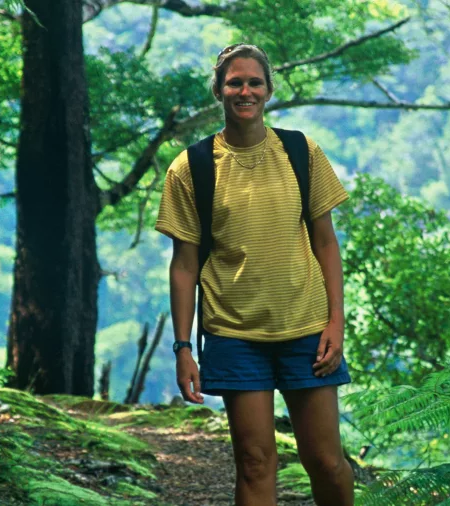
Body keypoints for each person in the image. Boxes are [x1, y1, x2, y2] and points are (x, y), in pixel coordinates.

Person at [155, 43, 354, 506]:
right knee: (255, 462)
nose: (245, 91)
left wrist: (336, 322)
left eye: (254, 82)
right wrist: (184, 349)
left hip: (306, 330)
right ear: (220, 91)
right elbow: (184, 266)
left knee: (326, 461)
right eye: (234, 82)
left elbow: (326, 242)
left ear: (267, 90)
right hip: (233, 334)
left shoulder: (301, 151)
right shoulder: (192, 167)